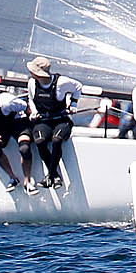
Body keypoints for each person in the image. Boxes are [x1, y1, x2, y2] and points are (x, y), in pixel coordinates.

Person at [21, 55, 83, 192]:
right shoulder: (32, 83)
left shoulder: (61, 82)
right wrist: (34, 112)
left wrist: (73, 103)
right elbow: (31, 99)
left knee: (56, 139)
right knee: (40, 141)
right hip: (43, 120)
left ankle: (51, 175)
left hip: (61, 120)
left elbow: (78, 87)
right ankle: (55, 176)